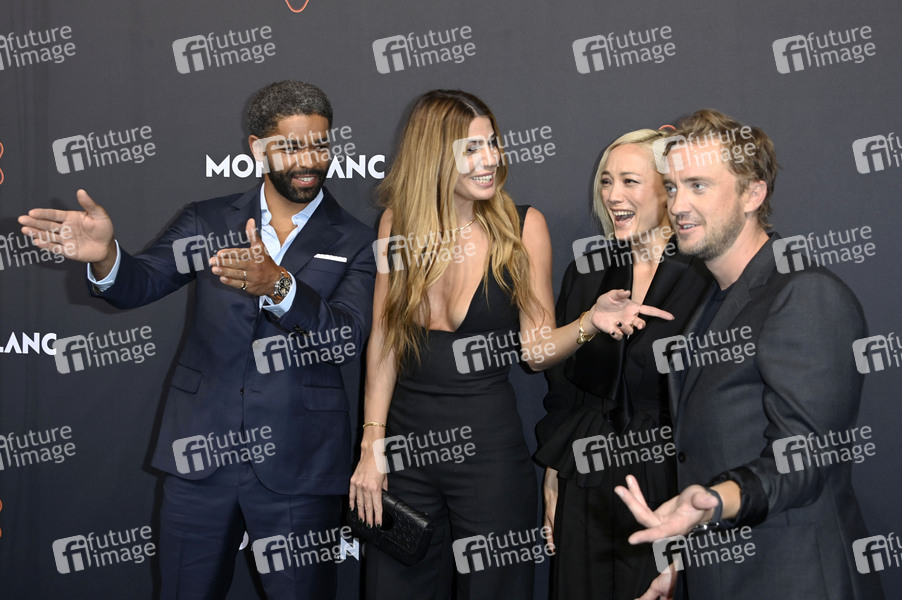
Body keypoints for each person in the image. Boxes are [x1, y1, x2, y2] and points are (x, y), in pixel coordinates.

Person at [19, 81, 376, 600]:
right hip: (201, 455)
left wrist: (278, 285)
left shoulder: (357, 239)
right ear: (258, 147)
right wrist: (106, 256)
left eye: (320, 145)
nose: (309, 161)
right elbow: (140, 283)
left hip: (300, 463)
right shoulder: (206, 219)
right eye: (292, 146)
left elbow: (345, 340)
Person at [347, 90, 671, 600]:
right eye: (472, 148)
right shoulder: (396, 225)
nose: (490, 159)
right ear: (435, 154)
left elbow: (536, 352)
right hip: (404, 450)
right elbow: (385, 341)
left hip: (488, 451)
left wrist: (589, 321)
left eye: (492, 144)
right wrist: (372, 446)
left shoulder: (521, 227)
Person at [616, 109, 886, 600]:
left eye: (698, 186)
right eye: (672, 187)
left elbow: (805, 457)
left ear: (753, 194)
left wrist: (715, 501)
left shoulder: (803, 293)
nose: (678, 205)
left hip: (796, 579)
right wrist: (685, 568)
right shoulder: (710, 303)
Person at [534, 129, 712, 600]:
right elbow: (563, 389)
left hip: (667, 477)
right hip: (586, 473)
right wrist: (553, 477)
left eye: (630, 181)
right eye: (606, 181)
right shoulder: (588, 269)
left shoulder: (706, 276)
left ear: (668, 188)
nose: (613, 196)